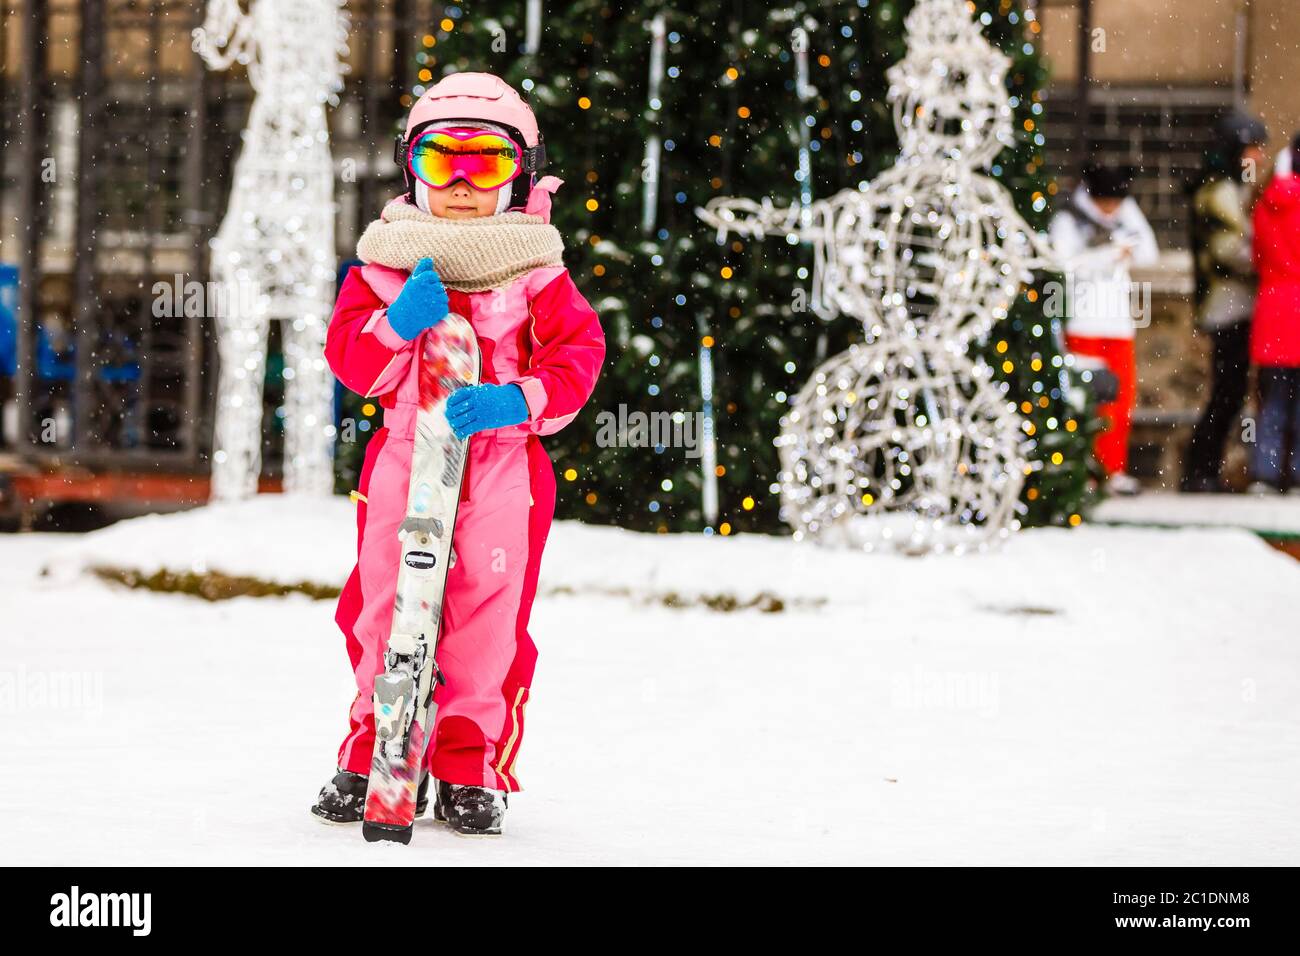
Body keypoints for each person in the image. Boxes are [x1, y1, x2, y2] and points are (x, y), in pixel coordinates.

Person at [311, 73, 605, 835]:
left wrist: (523, 398)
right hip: (409, 451)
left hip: (502, 462)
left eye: (489, 163)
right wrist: (395, 324)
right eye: (445, 163)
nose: (466, 185)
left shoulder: (536, 265)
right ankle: (373, 748)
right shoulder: (385, 262)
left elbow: (579, 354)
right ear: (414, 170)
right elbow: (352, 363)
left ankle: (470, 766)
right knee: (384, 604)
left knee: (488, 613)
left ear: (523, 173)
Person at [1049, 162, 1159, 495]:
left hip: (1118, 324)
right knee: (1086, 399)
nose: (1111, 209)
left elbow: (1149, 254)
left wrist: (1124, 247)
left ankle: (1114, 468)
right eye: (1105, 203)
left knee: (1120, 400)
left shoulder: (1127, 214)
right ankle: (1086, 469)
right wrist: (1109, 254)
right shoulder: (1069, 220)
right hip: (1083, 321)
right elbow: (1063, 264)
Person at [1181, 109, 1269, 492]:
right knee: (1227, 392)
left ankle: (1204, 469)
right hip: (1227, 304)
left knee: (1229, 392)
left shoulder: (1232, 188)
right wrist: (1274, 257)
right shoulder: (1218, 191)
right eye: (1253, 149)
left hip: (1233, 303)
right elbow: (1232, 251)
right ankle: (1201, 470)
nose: (1259, 157)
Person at [1247, 132, 1300, 494]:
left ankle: (1264, 472)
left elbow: (1256, 256)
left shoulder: (1267, 202)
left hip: (1273, 308)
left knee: (1273, 401)